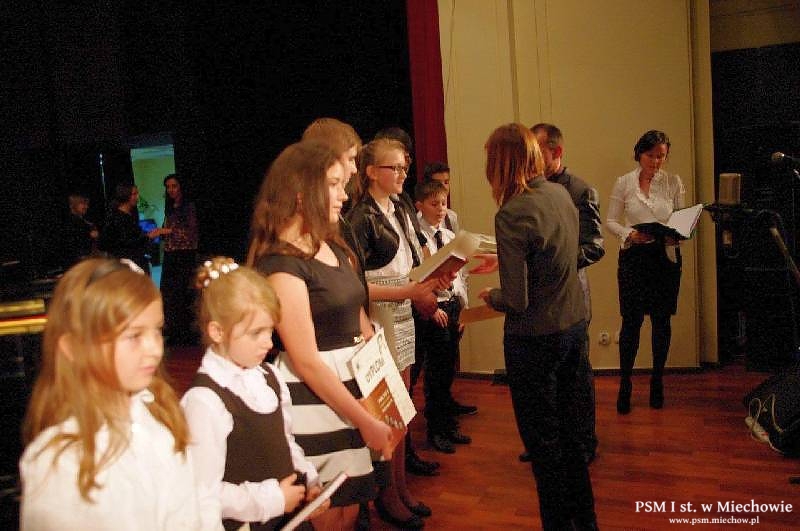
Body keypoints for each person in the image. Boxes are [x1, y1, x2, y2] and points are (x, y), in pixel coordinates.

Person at [247, 140, 392, 529]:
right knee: (329, 513)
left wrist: (385, 396)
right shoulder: (281, 263)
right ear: (301, 190)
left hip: (350, 391)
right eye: (333, 184)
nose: (344, 195)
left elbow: (360, 320)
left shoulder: (332, 245)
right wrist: (364, 419)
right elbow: (306, 360)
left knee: (350, 508)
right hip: (315, 400)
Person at [19, 258, 220, 530]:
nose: (154, 349)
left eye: (157, 331)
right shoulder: (60, 461)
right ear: (75, 348)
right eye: (134, 336)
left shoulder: (161, 422)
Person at [477, 123, 597, 530]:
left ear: (500, 163)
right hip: (573, 328)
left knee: (544, 450)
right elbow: (553, 260)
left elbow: (516, 300)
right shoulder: (560, 194)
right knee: (573, 441)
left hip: (535, 342)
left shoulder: (511, 212)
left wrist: (492, 295)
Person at [181, 257, 324, 531]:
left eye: (270, 330)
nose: (268, 343)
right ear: (217, 331)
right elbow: (202, 492)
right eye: (256, 333)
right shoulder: (204, 401)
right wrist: (273, 499)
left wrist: (306, 480)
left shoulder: (270, 378)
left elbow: (286, 441)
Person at [346, 137, 445, 528]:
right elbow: (355, 286)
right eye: (395, 168)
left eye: (405, 166)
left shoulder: (399, 206)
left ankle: (400, 488)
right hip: (379, 316)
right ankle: (386, 495)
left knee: (402, 410)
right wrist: (408, 291)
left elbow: (410, 263)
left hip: (402, 310)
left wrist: (433, 279)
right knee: (386, 411)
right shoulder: (360, 216)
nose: (403, 174)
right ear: (372, 172)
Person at [516, 123, 605, 464]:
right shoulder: (527, 190)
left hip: (570, 297)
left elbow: (595, 246)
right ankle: (546, 444)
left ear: (557, 152)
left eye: (537, 152)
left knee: (576, 378)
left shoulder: (581, 190)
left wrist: (553, 262)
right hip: (538, 299)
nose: (531, 159)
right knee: (543, 379)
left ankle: (583, 445)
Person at [606, 129, 685, 414]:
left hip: (664, 257)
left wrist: (676, 234)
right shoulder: (624, 182)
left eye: (661, 156)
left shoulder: (673, 182)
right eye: (651, 156)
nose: (656, 162)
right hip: (635, 258)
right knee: (631, 321)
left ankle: (657, 381)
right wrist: (630, 234)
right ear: (640, 154)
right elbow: (611, 221)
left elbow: (681, 220)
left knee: (661, 321)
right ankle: (625, 383)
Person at [413, 180, 472, 454]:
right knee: (435, 372)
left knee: (448, 369)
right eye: (434, 204)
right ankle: (435, 429)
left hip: (453, 307)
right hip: (432, 308)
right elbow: (419, 277)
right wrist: (432, 308)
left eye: (443, 203)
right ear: (420, 206)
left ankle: (448, 424)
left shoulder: (448, 236)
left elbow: (460, 277)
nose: (440, 209)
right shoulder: (416, 237)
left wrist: (463, 309)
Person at [161, 173, 199, 345]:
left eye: (174, 186)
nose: (171, 190)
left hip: (184, 255)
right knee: (170, 294)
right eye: (168, 187)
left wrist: (167, 231)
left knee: (183, 292)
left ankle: (186, 332)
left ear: (181, 187)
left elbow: (192, 231)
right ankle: (174, 331)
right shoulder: (170, 208)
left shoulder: (188, 207)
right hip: (171, 254)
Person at [100, 183, 167, 274]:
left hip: (135, 261)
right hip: (128, 265)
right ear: (125, 195)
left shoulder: (128, 216)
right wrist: (148, 237)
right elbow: (124, 242)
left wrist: (147, 236)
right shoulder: (117, 218)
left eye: (137, 193)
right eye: (134, 194)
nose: (137, 197)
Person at [422, 161, 459, 233]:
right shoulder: (420, 218)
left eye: (446, 182)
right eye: (438, 183)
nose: (444, 187)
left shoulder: (452, 216)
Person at [63, 193, 99, 266]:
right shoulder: (70, 222)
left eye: (87, 204)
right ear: (73, 205)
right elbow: (72, 242)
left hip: (87, 258)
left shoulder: (84, 221)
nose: (86, 207)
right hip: (79, 262)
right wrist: (89, 235)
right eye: (83, 204)